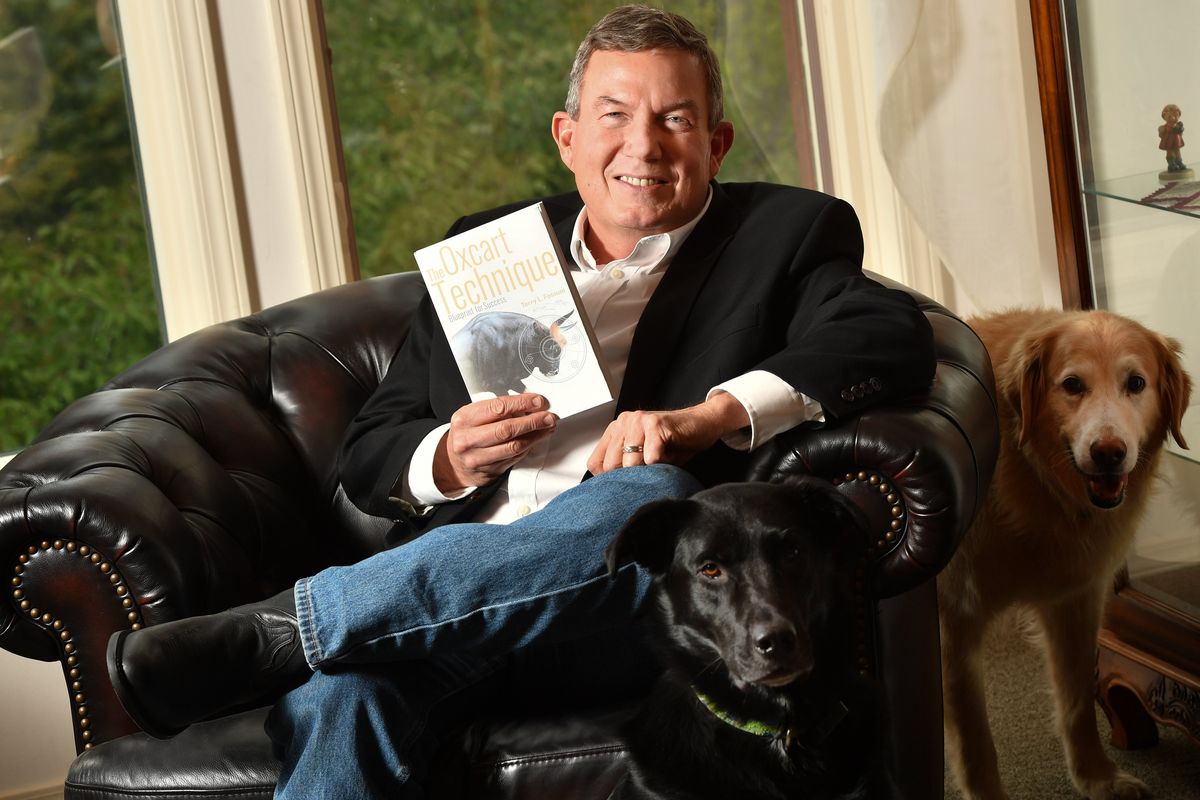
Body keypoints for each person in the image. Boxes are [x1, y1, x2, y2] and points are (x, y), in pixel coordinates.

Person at [105, 6, 936, 798]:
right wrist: (446, 455)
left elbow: (885, 332)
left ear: (715, 143)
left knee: (651, 495)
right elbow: (371, 452)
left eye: (675, 120)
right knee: (346, 696)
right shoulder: (485, 251)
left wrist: (707, 416)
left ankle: (282, 633)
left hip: (619, 607)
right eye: (612, 115)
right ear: (567, 137)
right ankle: (328, 637)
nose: (641, 145)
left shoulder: (786, 232)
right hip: (451, 603)